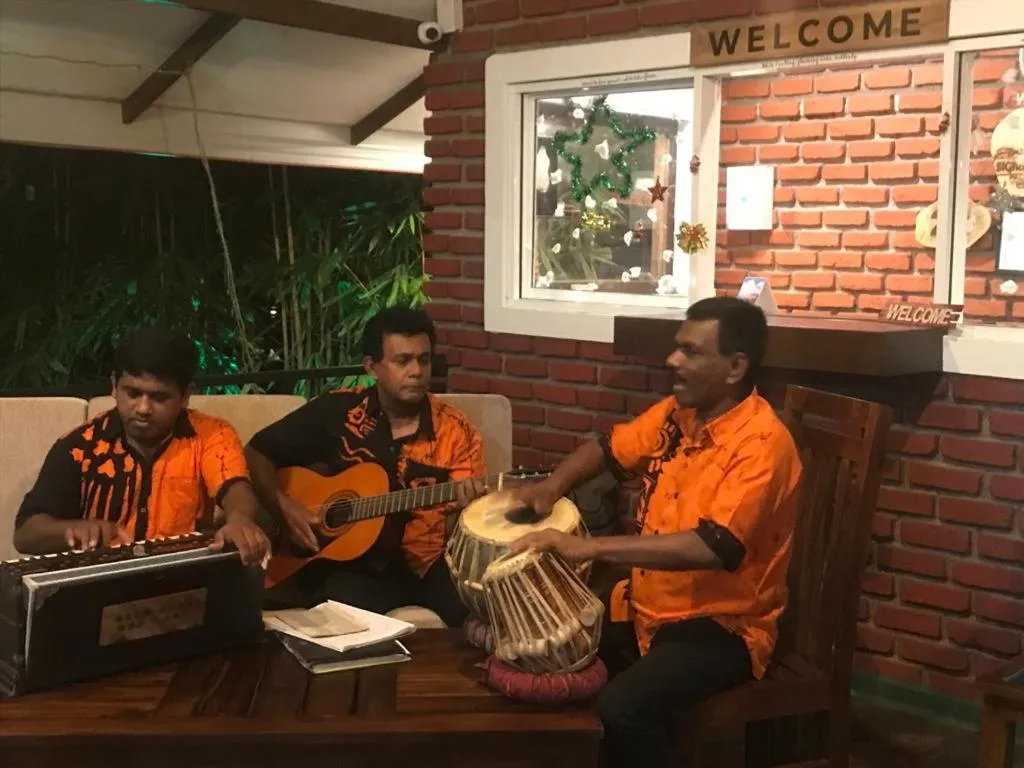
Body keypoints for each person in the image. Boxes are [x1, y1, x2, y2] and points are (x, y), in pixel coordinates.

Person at [508, 296, 803, 767]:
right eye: (676, 348)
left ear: (735, 367)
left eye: (691, 351)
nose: (672, 361)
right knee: (543, 652)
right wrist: (551, 487)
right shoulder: (676, 415)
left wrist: (586, 547)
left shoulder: (763, 445)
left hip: (723, 626)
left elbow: (712, 547)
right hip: (647, 606)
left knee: (622, 708)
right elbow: (608, 448)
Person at [245, 306, 484, 627]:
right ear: (372, 368)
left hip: (427, 566)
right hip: (356, 567)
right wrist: (284, 506)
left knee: (475, 602)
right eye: (403, 361)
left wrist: (471, 509)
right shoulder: (337, 411)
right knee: (337, 604)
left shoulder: (456, 429)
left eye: (423, 360)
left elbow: (468, 524)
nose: (416, 371)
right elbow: (256, 452)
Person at [13, 328, 269, 564]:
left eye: (159, 397)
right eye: (133, 393)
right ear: (114, 385)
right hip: (98, 583)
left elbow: (235, 487)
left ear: (186, 395)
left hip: (182, 581)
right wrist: (72, 529)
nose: (143, 409)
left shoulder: (211, 435)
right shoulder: (80, 446)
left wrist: (240, 520)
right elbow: (26, 534)